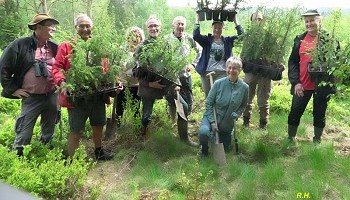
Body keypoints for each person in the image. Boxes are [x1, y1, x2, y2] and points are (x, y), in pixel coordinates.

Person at [52, 14, 116, 160]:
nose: (85, 29)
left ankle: (99, 152)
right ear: (76, 28)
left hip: (97, 94)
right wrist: (63, 83)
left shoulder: (98, 46)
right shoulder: (67, 45)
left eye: (88, 26)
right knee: (76, 129)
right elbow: (56, 68)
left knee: (98, 124)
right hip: (76, 95)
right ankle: (73, 160)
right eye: (82, 26)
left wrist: (113, 81)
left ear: (92, 27)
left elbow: (106, 68)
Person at [0, 13, 59, 156]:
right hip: (31, 97)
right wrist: (13, 89)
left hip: (51, 95)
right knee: (24, 131)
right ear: (38, 27)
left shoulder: (54, 47)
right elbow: (3, 68)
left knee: (49, 128)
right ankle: (18, 159)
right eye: (50, 25)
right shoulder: (20, 44)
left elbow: (62, 68)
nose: (54, 29)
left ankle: (45, 154)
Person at [135, 16, 198, 146]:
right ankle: (145, 141)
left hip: (166, 85)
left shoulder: (166, 45)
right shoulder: (141, 47)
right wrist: (149, 84)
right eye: (150, 26)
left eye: (156, 26)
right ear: (147, 29)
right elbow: (136, 71)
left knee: (183, 107)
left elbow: (171, 67)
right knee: (146, 117)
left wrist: (175, 83)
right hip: (148, 87)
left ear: (160, 28)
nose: (153, 28)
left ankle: (184, 139)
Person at [287, 9, 339, 143]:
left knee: (319, 113)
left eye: (312, 20)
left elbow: (336, 62)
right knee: (295, 111)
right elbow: (293, 61)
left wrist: (335, 78)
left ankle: (317, 140)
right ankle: (290, 138)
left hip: (321, 85)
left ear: (319, 21)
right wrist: (295, 82)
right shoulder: (300, 39)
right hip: (302, 84)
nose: (309, 24)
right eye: (306, 21)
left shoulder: (329, 39)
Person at [242, 11, 285, 129]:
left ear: (263, 21)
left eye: (259, 19)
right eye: (255, 19)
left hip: (265, 72)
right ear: (251, 22)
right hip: (251, 71)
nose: (257, 22)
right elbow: (243, 54)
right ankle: (246, 122)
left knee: (263, 100)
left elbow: (277, 54)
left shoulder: (269, 36)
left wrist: (280, 65)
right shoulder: (248, 37)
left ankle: (263, 124)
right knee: (246, 97)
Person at [199, 57, 249, 156]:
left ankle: (215, 139)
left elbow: (243, 105)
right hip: (212, 117)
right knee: (204, 133)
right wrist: (212, 122)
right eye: (229, 68)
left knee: (226, 149)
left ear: (239, 70)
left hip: (227, 124)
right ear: (226, 68)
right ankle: (204, 152)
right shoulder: (218, 84)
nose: (231, 71)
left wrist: (238, 113)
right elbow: (209, 103)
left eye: (234, 68)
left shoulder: (244, 88)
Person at [193, 12, 244, 97]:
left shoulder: (228, 41)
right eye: (215, 27)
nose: (217, 30)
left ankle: (220, 110)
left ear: (222, 29)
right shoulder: (206, 40)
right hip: (207, 72)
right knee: (209, 97)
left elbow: (241, 36)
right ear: (212, 28)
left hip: (222, 72)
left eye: (219, 28)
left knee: (221, 97)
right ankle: (210, 111)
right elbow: (196, 36)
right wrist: (197, 19)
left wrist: (236, 21)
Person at [166, 16, 202, 124]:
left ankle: (184, 120)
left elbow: (200, 51)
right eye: (178, 24)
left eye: (182, 24)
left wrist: (193, 64)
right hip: (171, 76)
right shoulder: (166, 39)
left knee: (189, 99)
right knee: (171, 99)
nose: (180, 26)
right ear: (173, 25)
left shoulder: (188, 38)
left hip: (185, 75)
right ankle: (173, 121)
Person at [115, 26, 144, 126]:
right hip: (122, 85)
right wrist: (117, 80)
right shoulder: (121, 51)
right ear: (128, 38)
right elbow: (114, 67)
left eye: (138, 36)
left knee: (136, 109)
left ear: (141, 39)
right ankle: (117, 128)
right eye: (132, 36)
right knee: (119, 109)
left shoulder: (142, 52)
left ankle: (136, 129)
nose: (135, 38)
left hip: (136, 85)